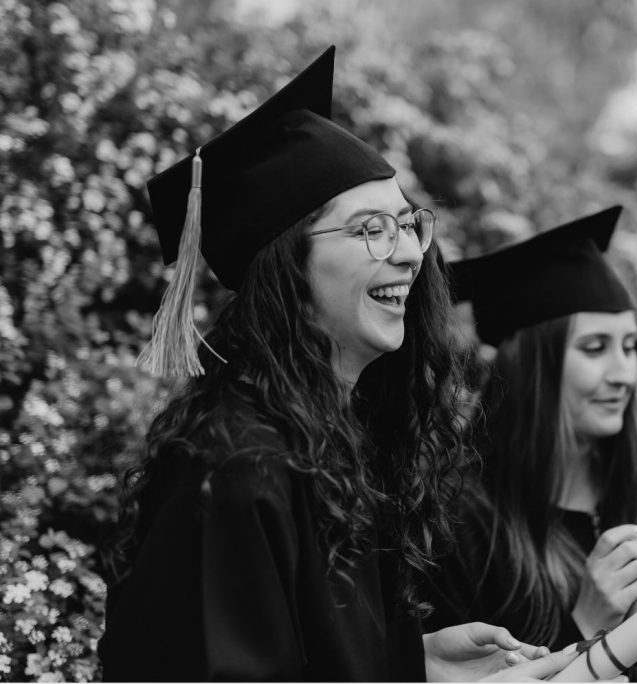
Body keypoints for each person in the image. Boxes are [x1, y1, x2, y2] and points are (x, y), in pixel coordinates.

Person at [99, 47, 577, 682]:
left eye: (408, 224)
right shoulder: (237, 468)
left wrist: (416, 664)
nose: (409, 253)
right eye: (370, 229)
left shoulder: (336, 442)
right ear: (286, 270)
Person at [424, 207, 637, 682]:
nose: (624, 373)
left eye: (629, 347)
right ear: (533, 367)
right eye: (594, 348)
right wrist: (585, 623)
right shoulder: (458, 519)